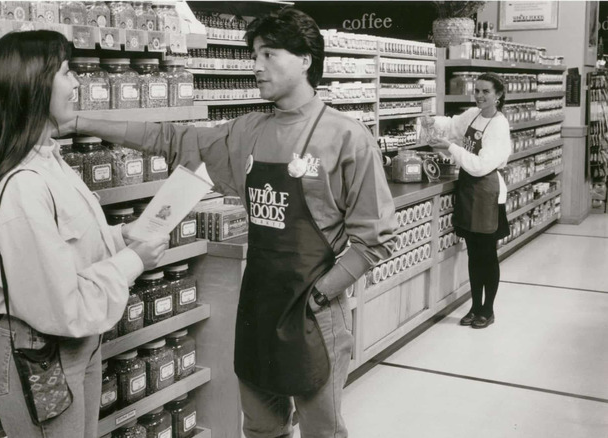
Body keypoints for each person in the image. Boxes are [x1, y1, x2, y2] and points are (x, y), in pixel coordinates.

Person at [58, 8, 397, 438]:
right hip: (257, 307)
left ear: (306, 60)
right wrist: (79, 123)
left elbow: (375, 239)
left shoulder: (348, 138)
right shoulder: (247, 132)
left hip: (316, 317)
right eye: (255, 53)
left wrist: (321, 295)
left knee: (323, 431)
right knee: (259, 428)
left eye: (269, 54)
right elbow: (172, 139)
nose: (256, 65)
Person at [0, 31, 168, 438]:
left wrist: (120, 236)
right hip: (41, 354)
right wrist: (133, 262)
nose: (77, 83)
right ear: (35, 85)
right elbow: (61, 301)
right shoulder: (25, 184)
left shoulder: (49, 161)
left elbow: (66, 249)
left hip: (76, 345)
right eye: (65, 72)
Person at [425, 72, 512, 329]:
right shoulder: (473, 115)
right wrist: (431, 121)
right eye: (477, 91)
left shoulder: (499, 124)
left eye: (486, 91)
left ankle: (488, 309)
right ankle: (475, 307)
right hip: (469, 190)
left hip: (487, 192)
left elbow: (481, 165)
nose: (480, 96)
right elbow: (452, 125)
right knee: (473, 253)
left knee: (487, 254)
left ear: (498, 95)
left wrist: (451, 148)